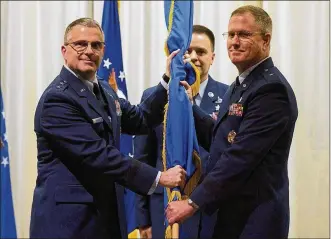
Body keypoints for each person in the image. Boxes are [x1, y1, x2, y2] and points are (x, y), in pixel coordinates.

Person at [29, 18, 187, 239]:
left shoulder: (103, 88)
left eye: (96, 45)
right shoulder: (57, 99)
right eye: (80, 44)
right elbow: (98, 155)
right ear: (64, 51)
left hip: (105, 217)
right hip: (68, 223)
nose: (89, 51)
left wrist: (167, 79)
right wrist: (159, 177)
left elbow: (140, 119)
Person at [166, 5, 298, 239]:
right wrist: (188, 106)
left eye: (244, 35)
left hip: (255, 220)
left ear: (266, 40)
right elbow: (220, 139)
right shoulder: (241, 84)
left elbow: (240, 157)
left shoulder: (271, 89)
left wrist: (192, 202)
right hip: (230, 216)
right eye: (231, 34)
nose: (234, 42)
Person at [134, 25, 228, 239]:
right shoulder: (156, 96)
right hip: (165, 208)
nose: (194, 57)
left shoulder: (228, 97)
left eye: (201, 52)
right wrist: (143, 220)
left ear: (212, 57)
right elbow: (142, 159)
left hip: (211, 211)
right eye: (189, 51)